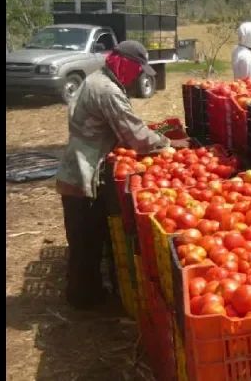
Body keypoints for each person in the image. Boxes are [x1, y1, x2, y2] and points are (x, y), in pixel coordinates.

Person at [54, 40, 189, 310]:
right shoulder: (106, 90)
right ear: (124, 64)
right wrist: (169, 145)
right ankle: (83, 299)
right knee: (86, 238)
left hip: (78, 165)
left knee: (84, 237)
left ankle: (83, 290)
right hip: (84, 171)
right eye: (137, 69)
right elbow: (135, 135)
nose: (138, 76)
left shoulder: (97, 79)